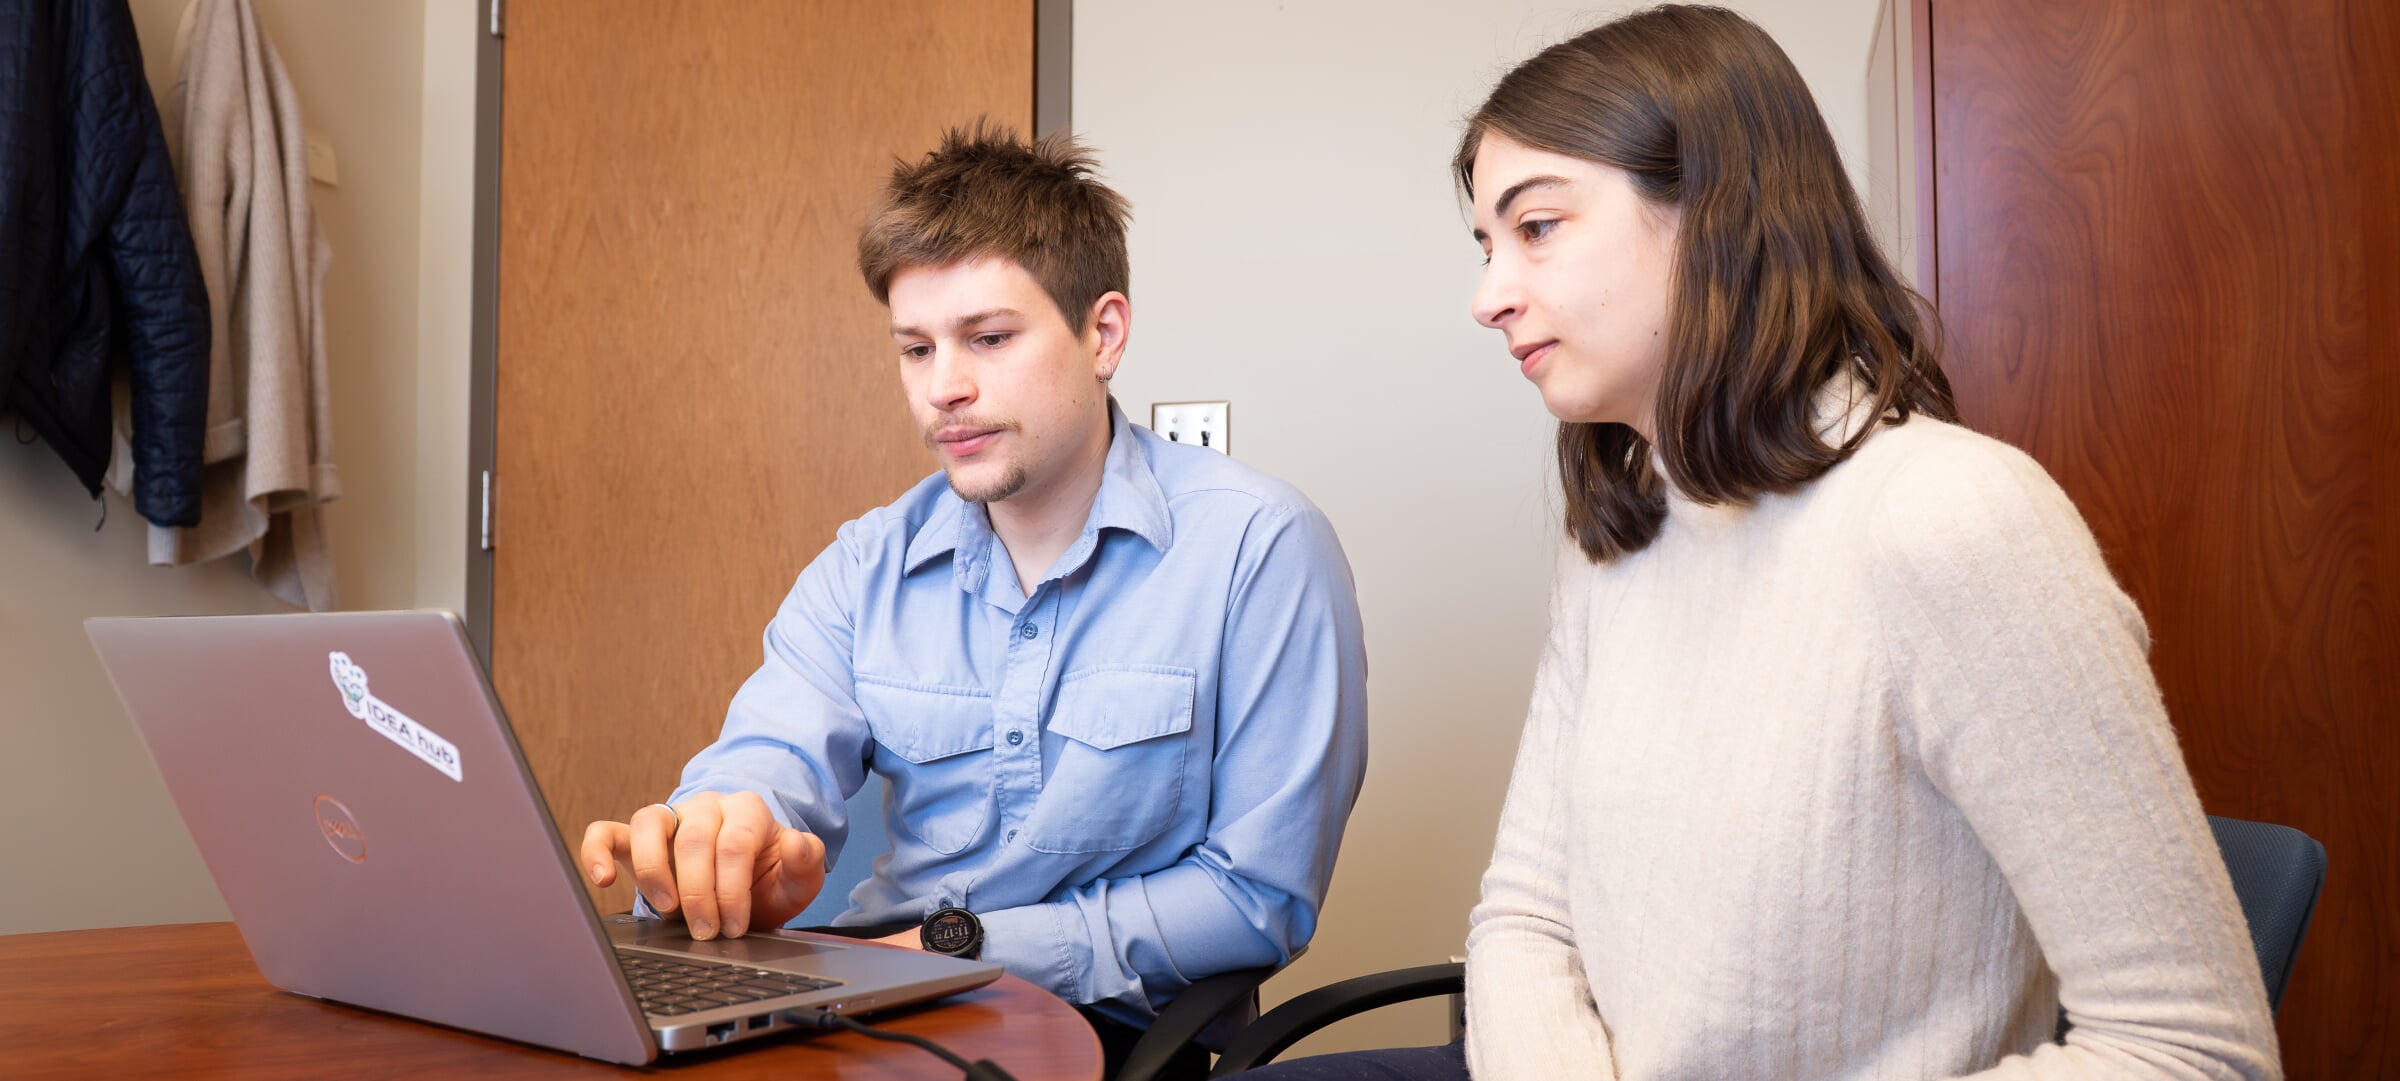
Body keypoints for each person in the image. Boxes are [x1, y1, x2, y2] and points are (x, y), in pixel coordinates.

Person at [1248, 6, 2278, 1080]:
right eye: (1486, 244)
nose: (1488, 295)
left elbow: (2195, 1052)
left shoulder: (1954, 522)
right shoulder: (1622, 531)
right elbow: (1525, 912)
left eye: (1538, 227)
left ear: (1718, 215)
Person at [578, 125, 1370, 1077]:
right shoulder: (866, 563)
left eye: (988, 339)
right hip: (861, 999)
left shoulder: (1258, 547)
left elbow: (1258, 896)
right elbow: (771, 752)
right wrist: (723, 825)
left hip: (1100, 1025)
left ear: (1103, 333)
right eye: (915, 349)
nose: (944, 388)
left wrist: (956, 950)